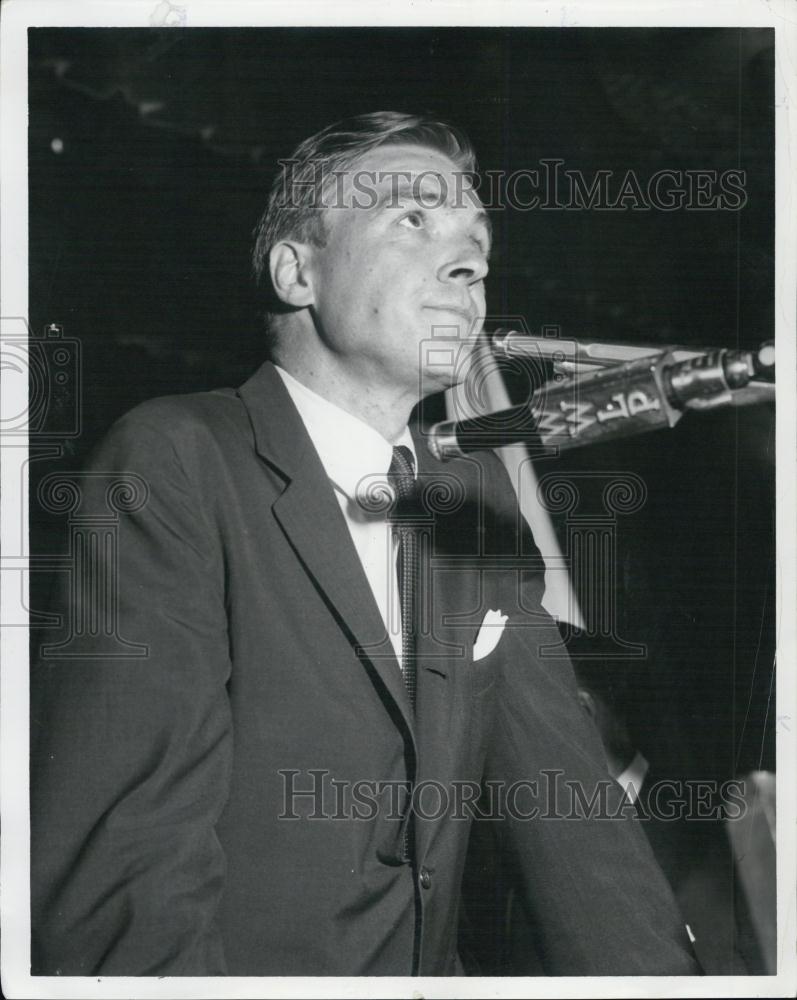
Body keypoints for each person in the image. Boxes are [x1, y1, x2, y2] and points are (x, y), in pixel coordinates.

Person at [30, 111, 700, 977]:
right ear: (297, 269)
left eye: (475, 242)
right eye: (412, 219)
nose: (469, 262)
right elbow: (127, 860)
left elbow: (568, 815)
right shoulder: (176, 457)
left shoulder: (475, 499)